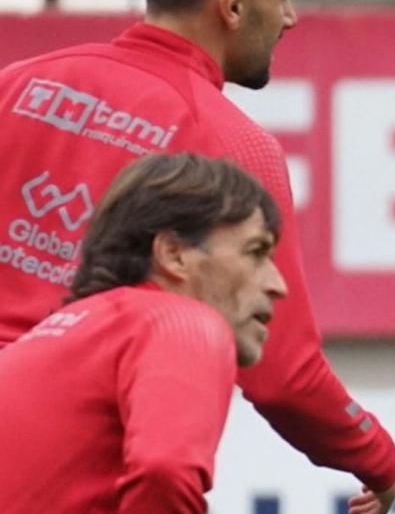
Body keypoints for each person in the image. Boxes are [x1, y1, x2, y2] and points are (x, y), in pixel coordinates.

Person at [0, 0, 395, 510]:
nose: (291, 18)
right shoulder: (235, 147)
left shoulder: (15, 87)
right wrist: (374, 454)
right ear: (234, 4)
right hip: (84, 461)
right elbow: (282, 370)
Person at [0, 153, 286, 512]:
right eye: (256, 252)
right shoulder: (179, 321)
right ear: (174, 254)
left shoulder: (51, 338)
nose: (279, 285)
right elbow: (165, 470)